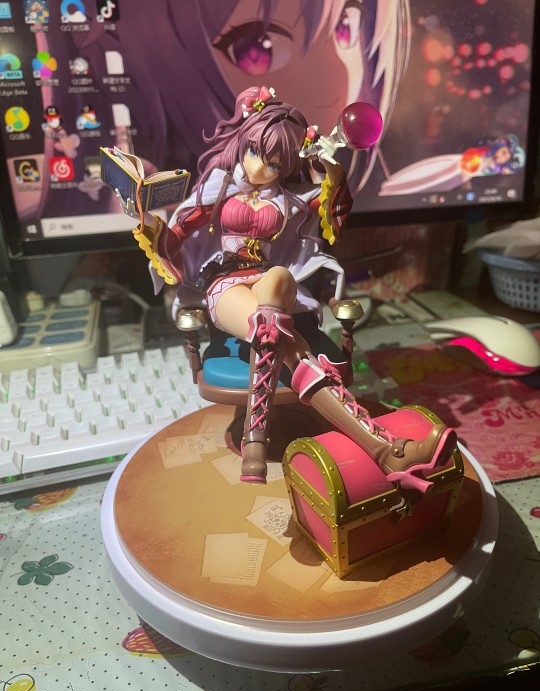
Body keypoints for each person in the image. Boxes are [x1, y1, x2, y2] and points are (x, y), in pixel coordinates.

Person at [118, 86, 456, 490]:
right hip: (225, 284)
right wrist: (147, 221)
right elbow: (174, 240)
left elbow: (333, 208)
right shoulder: (218, 189)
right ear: (242, 144)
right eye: (255, 152)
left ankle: (257, 446)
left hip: (268, 282)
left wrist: (328, 166)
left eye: (276, 162)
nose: (262, 167)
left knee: (280, 278)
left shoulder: (289, 200)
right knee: (284, 338)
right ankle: (384, 448)